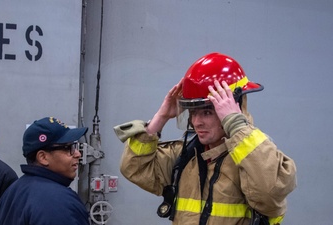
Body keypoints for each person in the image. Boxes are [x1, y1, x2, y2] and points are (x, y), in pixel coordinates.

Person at [114, 52, 297, 225]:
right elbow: (134, 168)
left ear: (234, 108)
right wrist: (160, 118)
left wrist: (237, 126)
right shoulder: (186, 156)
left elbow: (269, 196)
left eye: (208, 112)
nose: (196, 122)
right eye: (193, 113)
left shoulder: (256, 159)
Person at [0, 117, 90, 225]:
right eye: (68, 148)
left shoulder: (13, 191)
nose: (78, 154)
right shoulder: (58, 202)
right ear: (43, 157)